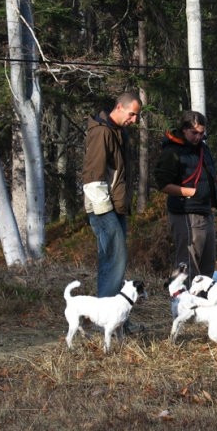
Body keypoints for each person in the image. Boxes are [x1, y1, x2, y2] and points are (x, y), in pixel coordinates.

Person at [82, 91, 144, 334]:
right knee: (113, 262)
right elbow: (92, 176)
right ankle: (108, 323)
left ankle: (119, 323)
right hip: (103, 208)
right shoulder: (101, 132)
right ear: (119, 107)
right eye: (132, 114)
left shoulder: (119, 132)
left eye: (136, 116)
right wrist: (105, 210)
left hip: (115, 207)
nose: (134, 120)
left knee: (116, 263)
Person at [154, 110, 217, 285]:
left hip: (205, 210)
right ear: (184, 130)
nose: (198, 137)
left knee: (207, 264)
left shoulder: (203, 149)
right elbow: (163, 184)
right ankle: (181, 303)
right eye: (194, 133)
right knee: (188, 263)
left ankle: (202, 303)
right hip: (185, 213)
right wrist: (191, 193)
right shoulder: (172, 151)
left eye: (201, 133)